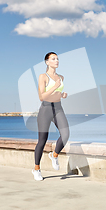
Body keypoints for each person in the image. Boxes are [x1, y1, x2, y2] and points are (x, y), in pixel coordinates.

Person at [32, 52, 70, 181]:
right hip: (46, 109)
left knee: (66, 134)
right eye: (53, 59)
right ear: (47, 62)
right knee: (42, 141)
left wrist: (62, 95)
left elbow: (57, 94)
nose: (57, 61)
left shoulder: (61, 77)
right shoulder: (43, 76)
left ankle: (54, 155)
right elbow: (42, 96)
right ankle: (36, 169)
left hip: (58, 108)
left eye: (57, 59)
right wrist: (55, 86)